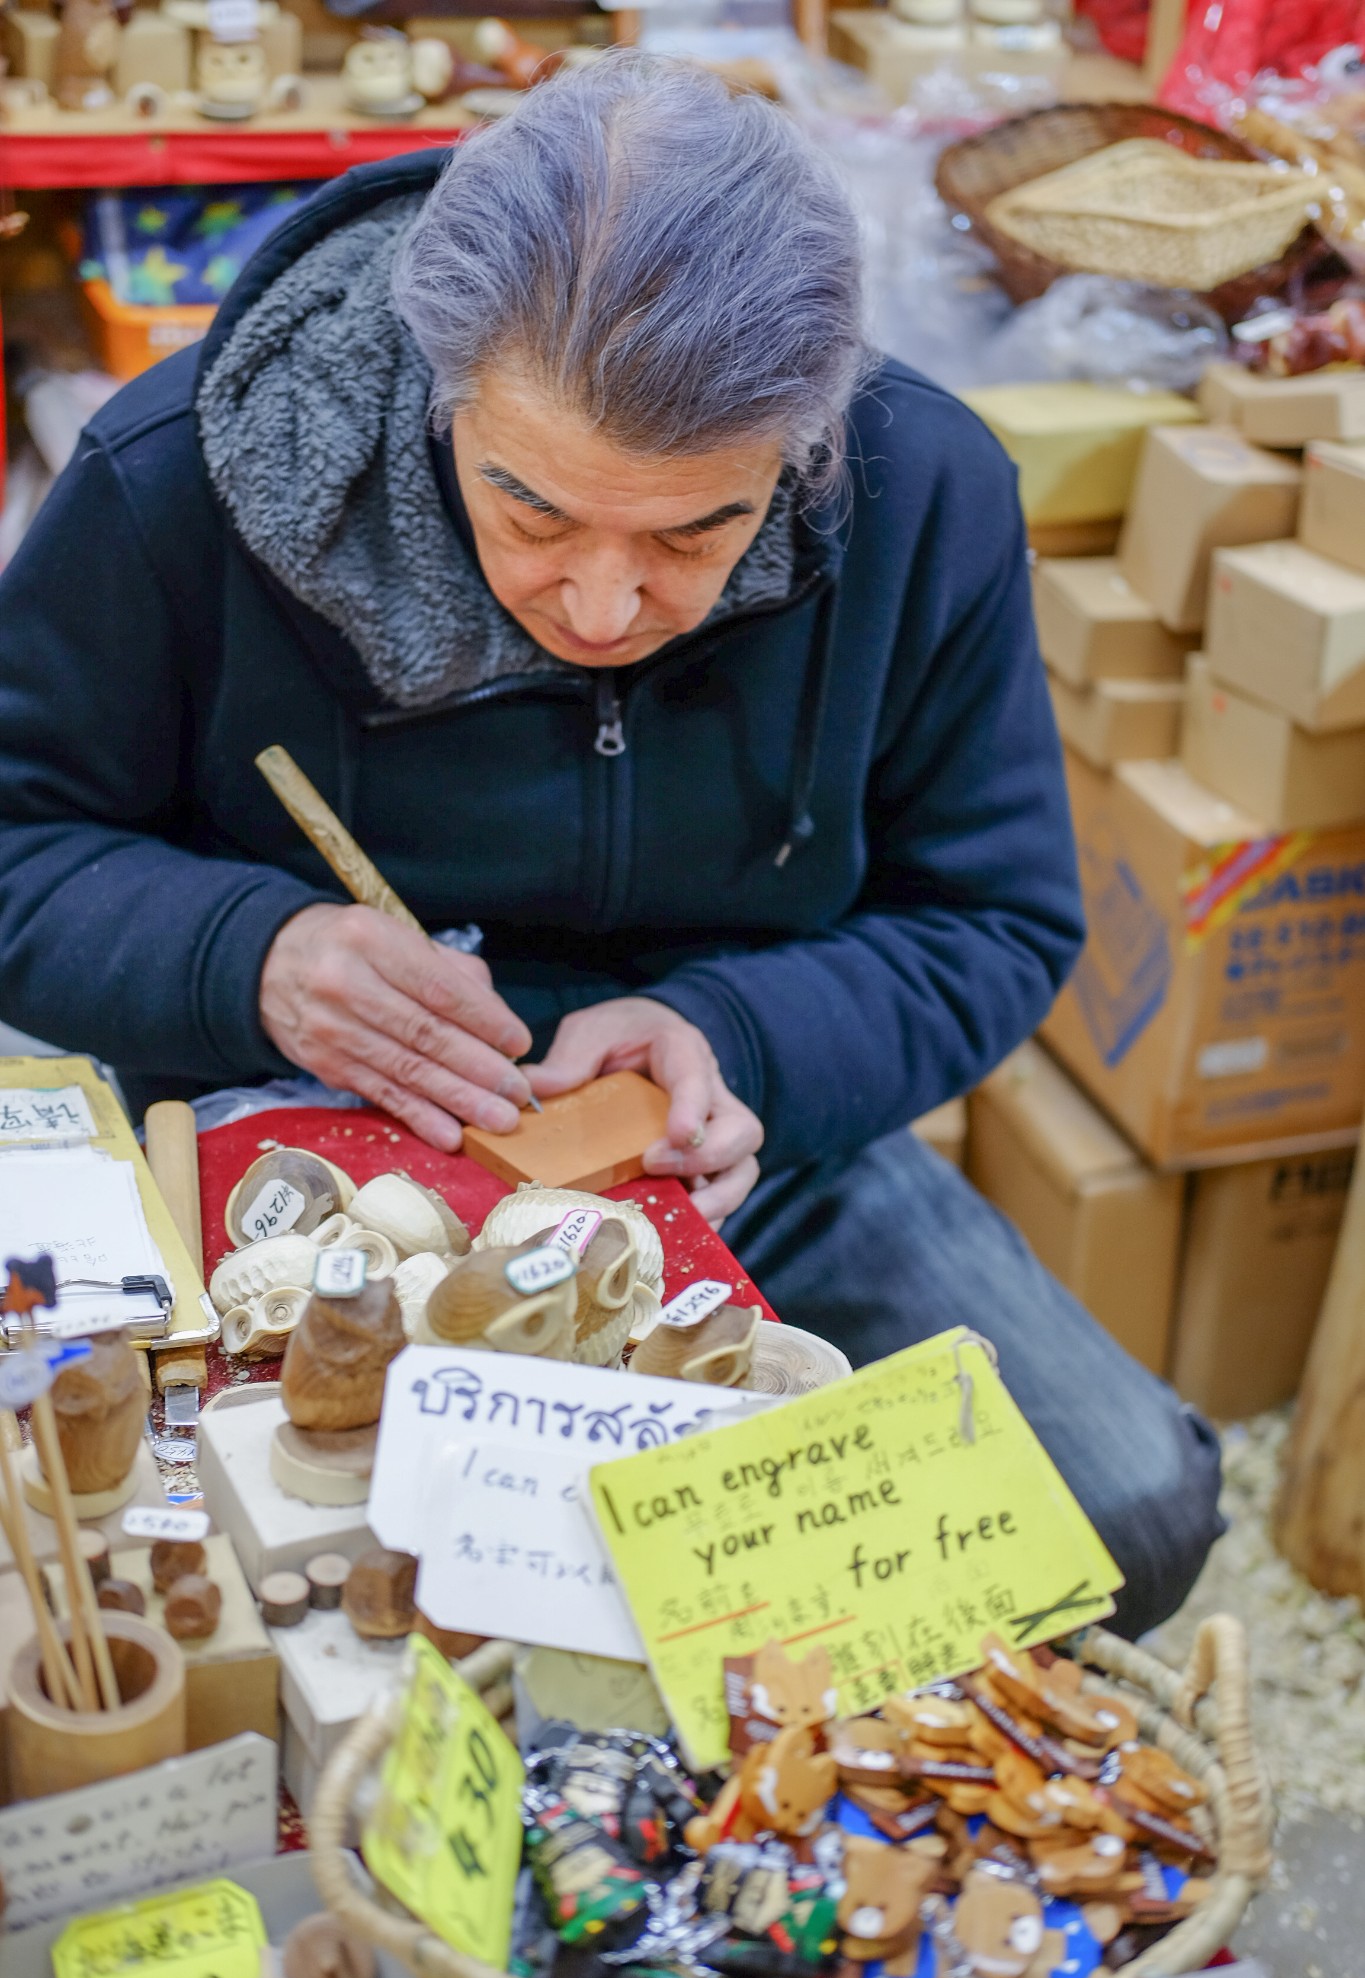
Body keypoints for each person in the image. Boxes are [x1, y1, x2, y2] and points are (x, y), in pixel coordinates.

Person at [0, 55, 1221, 1632]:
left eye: (691, 535)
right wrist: (252, 954)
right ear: (435, 384)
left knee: (1115, 1510)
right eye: (528, 513)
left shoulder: (925, 491)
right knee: (256, 1595)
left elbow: (988, 917)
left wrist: (737, 1039)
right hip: (296, 1168)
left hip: (721, 1150)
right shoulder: (182, 480)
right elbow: (19, 840)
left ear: (807, 443)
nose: (597, 610)